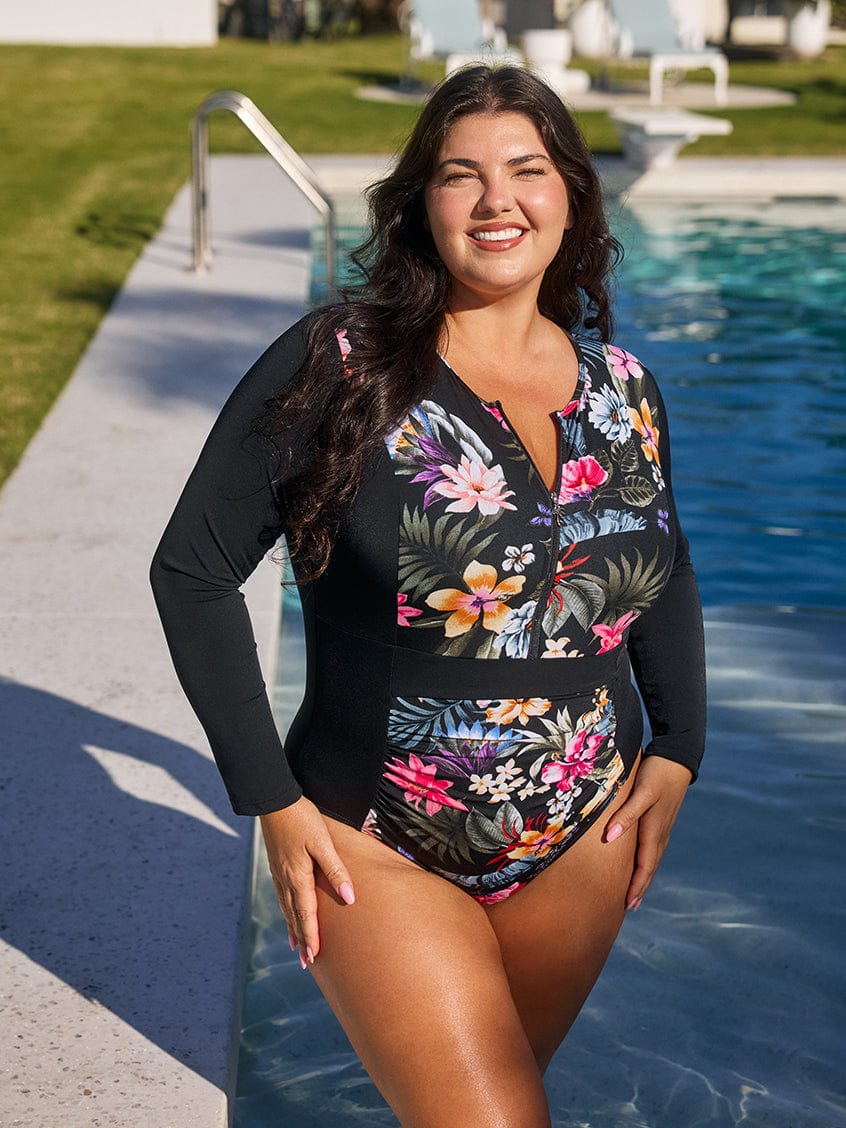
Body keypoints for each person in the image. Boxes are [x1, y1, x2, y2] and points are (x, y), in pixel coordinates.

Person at [151, 64, 706, 1128]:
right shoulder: (341, 363)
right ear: (421, 205)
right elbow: (194, 571)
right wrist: (266, 796)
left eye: (527, 171)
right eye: (463, 176)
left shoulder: (626, 388)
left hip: (581, 839)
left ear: (574, 196)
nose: (499, 201)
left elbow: (665, 563)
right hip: (374, 834)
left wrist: (681, 747)